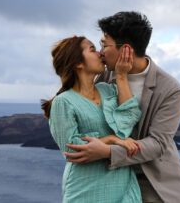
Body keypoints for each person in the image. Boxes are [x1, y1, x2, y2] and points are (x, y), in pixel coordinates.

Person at [64, 12, 180, 203]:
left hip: (152, 180)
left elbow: (157, 144)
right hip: (110, 176)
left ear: (126, 49)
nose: (100, 52)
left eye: (104, 45)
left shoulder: (171, 89)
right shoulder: (105, 77)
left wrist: (108, 152)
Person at [41, 35, 144, 202]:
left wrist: (121, 76)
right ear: (78, 63)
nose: (100, 54)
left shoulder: (107, 89)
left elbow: (128, 120)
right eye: (93, 50)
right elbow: (72, 150)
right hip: (86, 190)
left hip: (124, 187)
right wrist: (112, 139)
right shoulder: (64, 102)